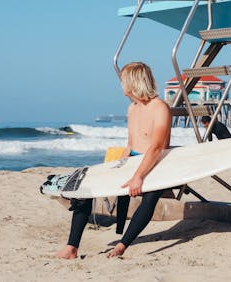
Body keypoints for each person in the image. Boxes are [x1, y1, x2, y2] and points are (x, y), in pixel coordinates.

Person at [55, 62, 172, 259]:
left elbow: (157, 147)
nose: (121, 85)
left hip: (155, 163)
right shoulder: (131, 109)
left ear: (133, 82)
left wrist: (138, 177)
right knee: (85, 190)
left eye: (123, 80)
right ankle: (71, 248)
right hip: (133, 160)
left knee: (150, 198)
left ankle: (122, 245)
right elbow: (130, 144)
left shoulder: (159, 107)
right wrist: (116, 168)